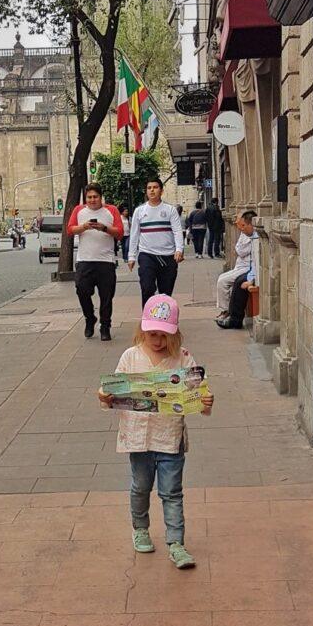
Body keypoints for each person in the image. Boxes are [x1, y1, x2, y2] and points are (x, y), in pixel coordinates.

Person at [97, 294, 214, 568]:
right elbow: (111, 391)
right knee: (140, 486)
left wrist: (206, 401)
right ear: (142, 330)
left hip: (170, 439)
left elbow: (200, 395)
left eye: (164, 335)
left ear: (175, 334)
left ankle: (176, 543)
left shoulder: (183, 359)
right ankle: (140, 528)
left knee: (172, 492)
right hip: (138, 439)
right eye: (153, 334)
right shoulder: (130, 357)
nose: (158, 340)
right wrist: (104, 396)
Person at [67, 183, 122, 341]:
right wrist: (83, 227)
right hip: (85, 260)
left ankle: (105, 327)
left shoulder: (111, 210)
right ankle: (89, 318)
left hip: (106, 261)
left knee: (106, 296)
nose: (92, 200)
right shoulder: (78, 211)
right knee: (81, 290)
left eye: (95, 197)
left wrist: (104, 228)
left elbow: (119, 233)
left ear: (101, 197)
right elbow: (70, 230)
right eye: (89, 197)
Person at [127, 178, 184, 304]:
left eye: (155, 187)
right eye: (149, 188)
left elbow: (177, 231)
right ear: (146, 191)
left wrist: (179, 249)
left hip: (168, 256)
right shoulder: (139, 211)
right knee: (147, 288)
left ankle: (164, 321)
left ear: (161, 191)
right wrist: (131, 256)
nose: (152, 190)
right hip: (147, 255)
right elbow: (134, 234)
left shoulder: (170, 210)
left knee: (165, 293)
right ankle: (147, 320)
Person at [215, 210, 257, 321]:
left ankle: (227, 311)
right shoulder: (245, 233)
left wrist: (251, 279)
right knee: (222, 279)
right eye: (239, 224)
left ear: (250, 223)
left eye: (242, 225)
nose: (240, 228)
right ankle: (226, 310)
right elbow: (238, 249)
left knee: (223, 281)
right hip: (241, 266)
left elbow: (241, 251)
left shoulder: (255, 236)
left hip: (246, 268)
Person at [216, 257, 256, 330]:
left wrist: (251, 280)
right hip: (252, 269)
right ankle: (231, 315)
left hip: (251, 269)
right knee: (238, 281)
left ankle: (235, 320)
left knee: (239, 283)